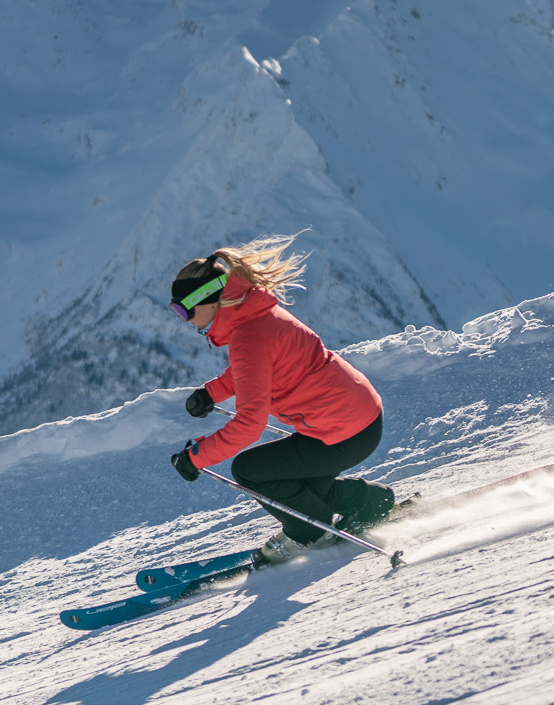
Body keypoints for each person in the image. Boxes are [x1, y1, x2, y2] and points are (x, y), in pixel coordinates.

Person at [167, 237, 396, 563]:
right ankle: (369, 502)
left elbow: (250, 423)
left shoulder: (248, 337)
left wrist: (197, 457)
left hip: (342, 432)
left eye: (182, 309)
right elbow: (254, 371)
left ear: (208, 299)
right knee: (303, 492)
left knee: (249, 469)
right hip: (357, 419)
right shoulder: (256, 318)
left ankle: (311, 534)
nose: (184, 319)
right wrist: (211, 394)